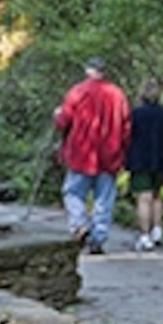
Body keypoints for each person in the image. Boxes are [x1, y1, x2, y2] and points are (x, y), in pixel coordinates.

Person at [53, 57, 129, 252]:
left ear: (88, 70)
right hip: (109, 154)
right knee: (104, 198)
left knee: (72, 192)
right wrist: (123, 150)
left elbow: (64, 121)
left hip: (81, 152)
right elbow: (126, 127)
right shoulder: (117, 94)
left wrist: (58, 115)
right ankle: (98, 237)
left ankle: (80, 225)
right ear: (105, 71)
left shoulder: (78, 91)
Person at [123, 87, 163, 250]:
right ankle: (157, 230)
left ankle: (144, 235)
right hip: (161, 162)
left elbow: (126, 137)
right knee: (156, 196)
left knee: (143, 198)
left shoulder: (135, 115)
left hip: (140, 162)